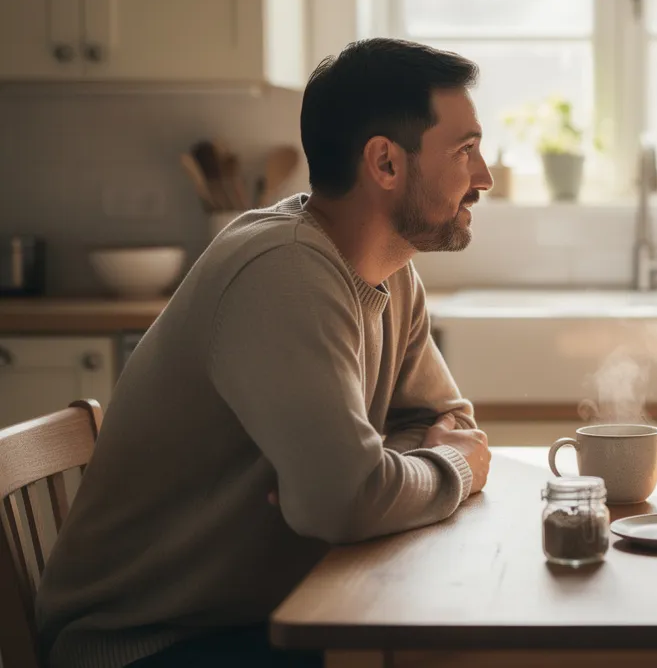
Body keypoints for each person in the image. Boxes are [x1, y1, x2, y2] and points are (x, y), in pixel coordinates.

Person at [36, 38, 495, 668]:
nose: (485, 177)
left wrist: (377, 475)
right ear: (385, 163)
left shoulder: (390, 271)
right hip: (150, 644)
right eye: (465, 150)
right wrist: (449, 471)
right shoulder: (285, 272)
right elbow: (350, 497)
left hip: (263, 616)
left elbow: (443, 424)